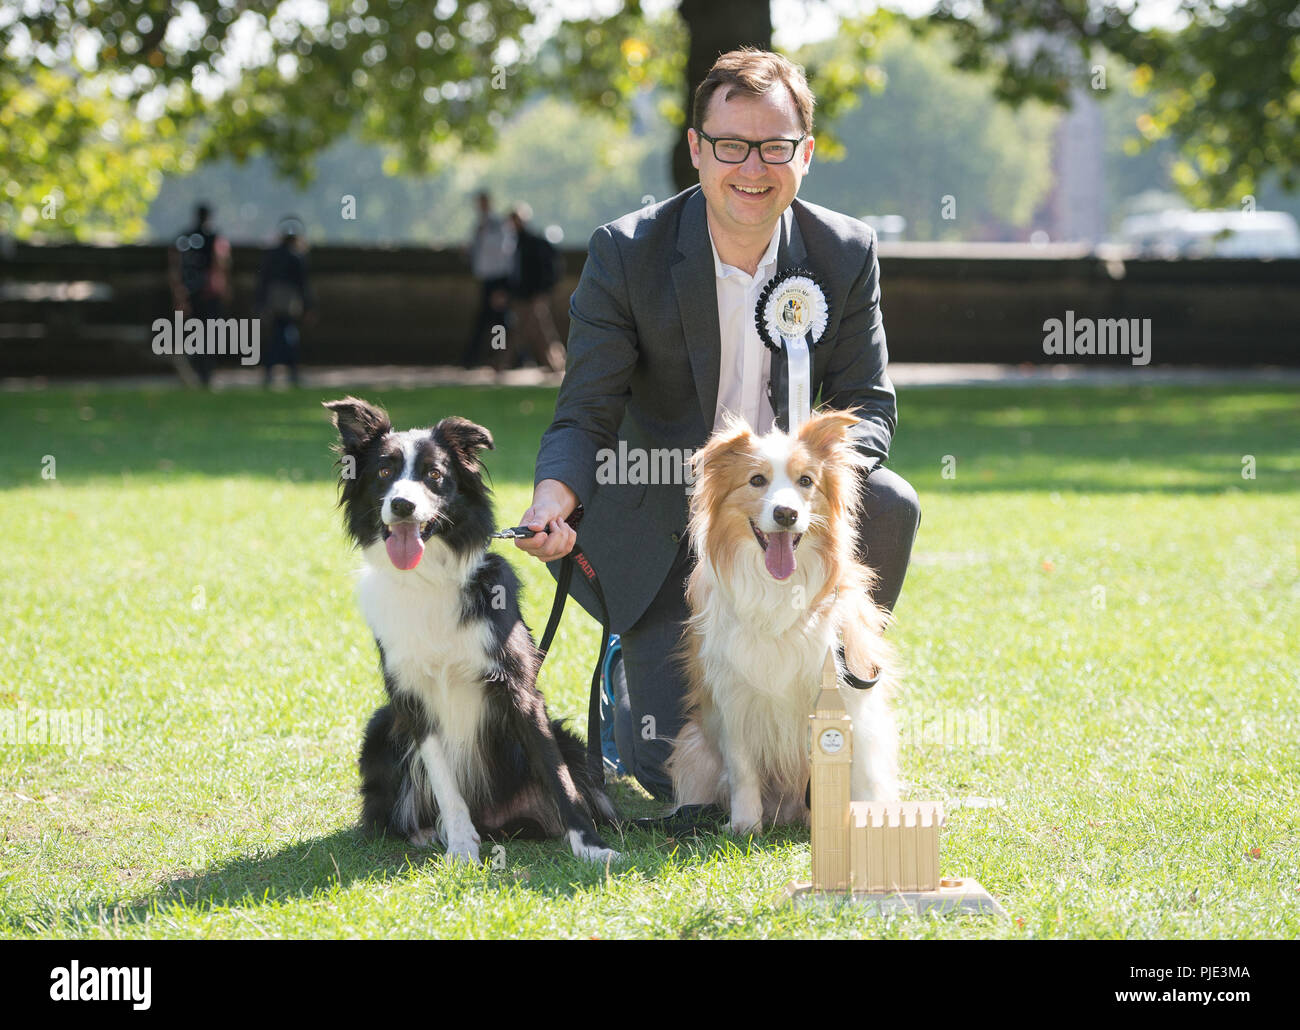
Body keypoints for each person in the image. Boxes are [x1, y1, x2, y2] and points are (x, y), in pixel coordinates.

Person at [513, 48, 921, 803]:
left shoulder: (845, 250)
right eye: (731, 145)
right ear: (697, 149)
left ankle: (827, 694)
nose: (753, 169)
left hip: (790, 523)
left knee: (890, 497)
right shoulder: (625, 252)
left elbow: (868, 400)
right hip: (670, 533)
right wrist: (553, 496)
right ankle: (628, 669)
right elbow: (586, 408)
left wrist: (812, 493)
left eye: (776, 147)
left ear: (807, 151)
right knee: (668, 772)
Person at [167, 203, 231, 387]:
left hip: (189, 294)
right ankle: (205, 372)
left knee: (192, 334)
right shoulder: (214, 239)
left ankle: (197, 371)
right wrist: (224, 288)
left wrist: (178, 294)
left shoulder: (184, 238)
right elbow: (222, 264)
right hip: (208, 294)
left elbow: (174, 268)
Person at [506, 204, 566, 373]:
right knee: (531, 330)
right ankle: (555, 363)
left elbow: (546, 269)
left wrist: (542, 291)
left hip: (532, 295)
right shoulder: (516, 243)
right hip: (522, 295)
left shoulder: (533, 242)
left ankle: (556, 364)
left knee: (537, 331)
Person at [256, 216, 314, 387]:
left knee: (277, 335)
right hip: (288, 301)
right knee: (287, 335)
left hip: (273, 300)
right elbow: (303, 284)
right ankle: (291, 371)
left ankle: (273, 370)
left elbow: (263, 280)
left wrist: (260, 303)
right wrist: (309, 306)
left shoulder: (271, 255)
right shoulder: (297, 256)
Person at [461, 191, 516, 369]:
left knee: (498, 320)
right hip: (487, 278)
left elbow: (505, 254)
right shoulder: (480, 225)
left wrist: (503, 286)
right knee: (489, 319)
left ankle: (498, 356)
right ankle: (487, 356)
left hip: (497, 279)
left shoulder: (498, 225)